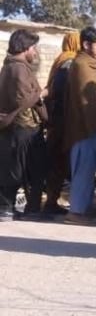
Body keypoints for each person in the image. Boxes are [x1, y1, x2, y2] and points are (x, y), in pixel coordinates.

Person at [62, 27, 96, 226]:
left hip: (93, 126)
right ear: (86, 45)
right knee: (83, 169)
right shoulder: (82, 65)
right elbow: (89, 103)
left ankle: (85, 206)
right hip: (85, 128)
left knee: (90, 168)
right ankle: (75, 211)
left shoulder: (90, 64)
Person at [0, 29, 49, 222]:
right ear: (26, 48)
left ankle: (14, 208)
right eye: (33, 47)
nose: (35, 52)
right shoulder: (18, 68)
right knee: (27, 169)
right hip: (24, 126)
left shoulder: (10, 67)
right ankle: (19, 209)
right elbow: (23, 100)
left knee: (19, 168)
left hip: (18, 127)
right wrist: (42, 94)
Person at [43, 31, 80, 215]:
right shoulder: (69, 62)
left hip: (55, 119)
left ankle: (52, 201)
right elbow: (61, 91)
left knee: (57, 160)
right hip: (63, 120)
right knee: (61, 161)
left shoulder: (60, 60)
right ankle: (54, 202)